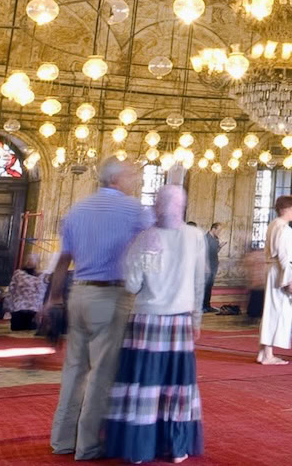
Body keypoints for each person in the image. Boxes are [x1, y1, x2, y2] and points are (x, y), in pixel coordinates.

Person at [49, 158, 152, 460]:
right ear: (116, 179)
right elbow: (155, 247)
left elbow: (62, 260)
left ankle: (62, 440)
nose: (136, 180)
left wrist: (53, 298)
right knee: (101, 375)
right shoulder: (134, 209)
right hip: (109, 296)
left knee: (74, 371)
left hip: (78, 293)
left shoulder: (77, 209)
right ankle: (88, 446)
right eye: (133, 175)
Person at [102, 184, 204, 464]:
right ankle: (177, 446)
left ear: (157, 205)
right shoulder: (196, 236)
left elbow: (133, 285)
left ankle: (139, 447)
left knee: (144, 384)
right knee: (177, 386)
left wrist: (141, 261)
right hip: (180, 320)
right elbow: (199, 283)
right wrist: (197, 319)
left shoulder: (145, 238)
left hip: (147, 320)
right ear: (182, 206)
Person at [257, 195, 292, 365]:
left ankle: (264, 352)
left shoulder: (273, 225)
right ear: (285, 210)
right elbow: (283, 256)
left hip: (274, 270)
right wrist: (290, 280)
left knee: (270, 310)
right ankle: (267, 355)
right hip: (279, 271)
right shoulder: (282, 228)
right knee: (275, 312)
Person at [7, 260, 47, 333]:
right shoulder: (41, 277)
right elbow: (42, 294)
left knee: (16, 337)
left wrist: (8, 307)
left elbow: (11, 291)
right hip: (31, 310)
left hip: (21, 309)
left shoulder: (18, 274)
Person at [201, 222, 223, 313]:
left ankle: (207, 305)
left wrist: (220, 247)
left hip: (213, 265)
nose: (219, 232)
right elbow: (203, 254)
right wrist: (205, 266)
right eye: (218, 230)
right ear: (213, 229)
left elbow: (215, 251)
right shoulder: (205, 238)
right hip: (207, 266)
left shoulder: (216, 239)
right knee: (205, 286)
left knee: (209, 286)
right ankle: (202, 306)